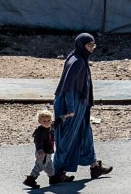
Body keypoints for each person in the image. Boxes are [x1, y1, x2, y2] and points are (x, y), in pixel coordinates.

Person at [52, 33, 113, 184]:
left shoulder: (78, 58)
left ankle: (94, 166)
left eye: (93, 45)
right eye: (89, 45)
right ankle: (57, 172)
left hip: (80, 103)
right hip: (70, 104)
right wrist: (71, 109)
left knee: (85, 133)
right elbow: (68, 88)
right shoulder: (77, 61)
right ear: (81, 45)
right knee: (67, 138)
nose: (92, 48)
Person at [23, 109, 57, 189]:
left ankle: (53, 178)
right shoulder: (40, 132)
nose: (47, 122)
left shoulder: (50, 127)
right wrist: (40, 150)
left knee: (49, 166)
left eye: (48, 120)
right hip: (42, 153)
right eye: (44, 121)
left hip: (48, 152)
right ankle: (30, 179)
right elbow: (38, 142)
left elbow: (57, 122)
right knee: (39, 166)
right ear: (39, 121)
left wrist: (65, 117)